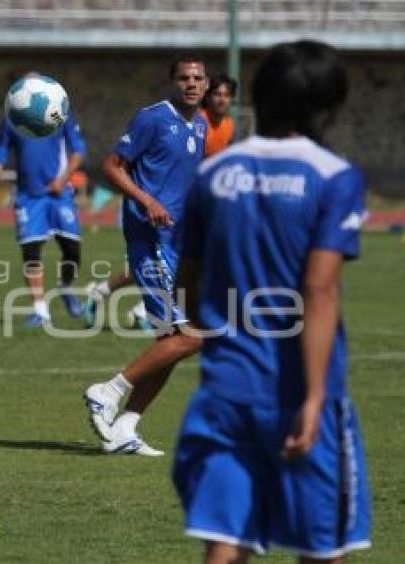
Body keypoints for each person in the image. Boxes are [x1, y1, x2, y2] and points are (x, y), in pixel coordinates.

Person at [173, 40, 371, 561]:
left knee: (227, 538)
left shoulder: (213, 175)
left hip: (226, 389)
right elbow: (319, 289)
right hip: (298, 392)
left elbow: (186, 276)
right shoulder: (334, 177)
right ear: (327, 105)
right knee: (321, 544)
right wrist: (312, 399)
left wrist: (210, 328)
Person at [82, 53, 208, 455]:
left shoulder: (201, 125)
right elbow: (111, 166)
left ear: (205, 84)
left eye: (198, 78)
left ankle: (125, 428)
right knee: (189, 337)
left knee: (169, 343)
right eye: (185, 78)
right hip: (150, 239)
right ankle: (107, 391)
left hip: (179, 244)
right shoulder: (152, 118)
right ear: (174, 82)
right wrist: (146, 201)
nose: (191, 83)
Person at [0, 86, 87, 327]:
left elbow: (79, 151)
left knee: (72, 249)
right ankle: (40, 311)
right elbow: (0, 152)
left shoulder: (59, 117)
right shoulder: (12, 120)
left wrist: (62, 180)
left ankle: (65, 286)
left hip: (60, 194)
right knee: (31, 251)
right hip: (28, 198)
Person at [201, 73, 237, 158]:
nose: (222, 100)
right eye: (217, 94)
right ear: (207, 97)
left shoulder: (229, 125)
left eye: (226, 95)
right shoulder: (197, 122)